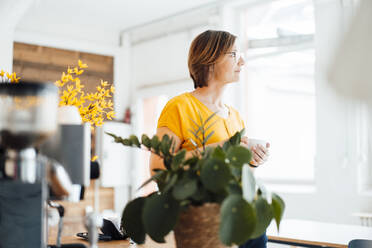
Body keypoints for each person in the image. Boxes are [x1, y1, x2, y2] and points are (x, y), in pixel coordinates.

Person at [149, 30, 270, 248]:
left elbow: (239, 177)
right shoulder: (179, 107)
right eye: (233, 54)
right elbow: (159, 169)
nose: (242, 61)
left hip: (245, 221)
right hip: (205, 225)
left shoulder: (236, 117)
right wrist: (221, 148)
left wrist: (252, 161)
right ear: (210, 60)